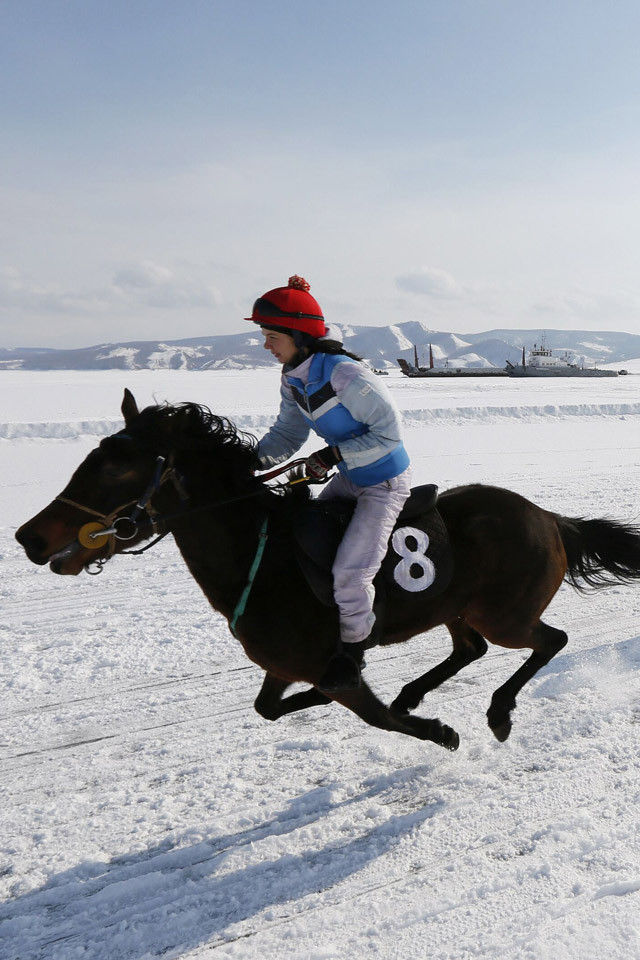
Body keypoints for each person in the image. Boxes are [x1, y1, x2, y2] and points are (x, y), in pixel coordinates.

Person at [248, 275, 412, 692]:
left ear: (299, 335)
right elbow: (287, 434)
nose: (266, 345)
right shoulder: (293, 377)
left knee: (350, 575)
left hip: (384, 483)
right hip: (351, 479)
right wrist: (247, 462)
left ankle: (352, 659)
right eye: (264, 336)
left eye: (271, 336)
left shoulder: (345, 374)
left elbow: (390, 435)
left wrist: (333, 455)